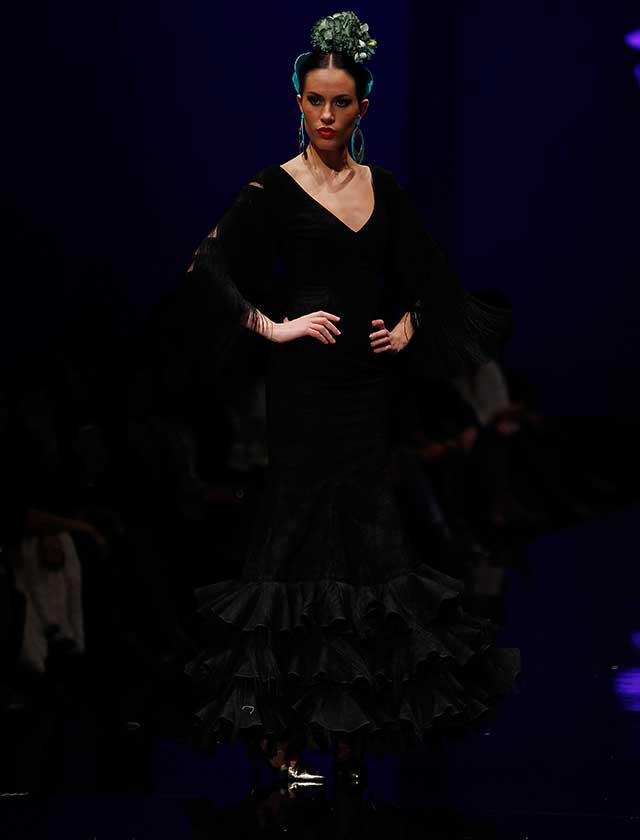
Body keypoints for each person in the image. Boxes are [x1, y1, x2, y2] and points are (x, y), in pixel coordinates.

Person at [183, 11, 520, 755]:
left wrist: (406, 327)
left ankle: (348, 729)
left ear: (363, 107)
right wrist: (275, 327)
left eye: (341, 102)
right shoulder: (274, 188)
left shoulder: (383, 189)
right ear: (298, 102)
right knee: (293, 537)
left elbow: (431, 275)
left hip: (366, 391)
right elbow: (207, 265)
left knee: (368, 541)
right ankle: (280, 736)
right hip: (303, 389)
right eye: (316, 100)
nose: (327, 115)